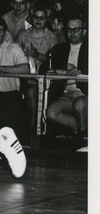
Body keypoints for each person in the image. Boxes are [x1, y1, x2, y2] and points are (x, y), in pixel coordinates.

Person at [45, 15, 88, 145]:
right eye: (69, 29)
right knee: (51, 112)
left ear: (84, 31)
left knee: (79, 105)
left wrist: (78, 73)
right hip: (66, 95)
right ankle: (83, 130)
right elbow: (45, 70)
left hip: (87, 94)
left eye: (76, 29)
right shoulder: (59, 49)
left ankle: (81, 139)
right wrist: (65, 72)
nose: (72, 32)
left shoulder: (93, 48)